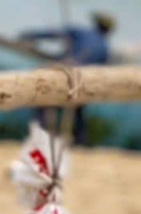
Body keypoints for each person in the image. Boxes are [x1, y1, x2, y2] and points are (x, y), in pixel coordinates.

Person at [19, 11, 118, 144]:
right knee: (77, 110)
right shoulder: (105, 48)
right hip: (83, 81)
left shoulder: (81, 32)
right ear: (108, 31)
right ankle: (80, 142)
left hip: (65, 71)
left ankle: (39, 136)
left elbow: (53, 34)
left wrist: (28, 35)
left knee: (44, 103)